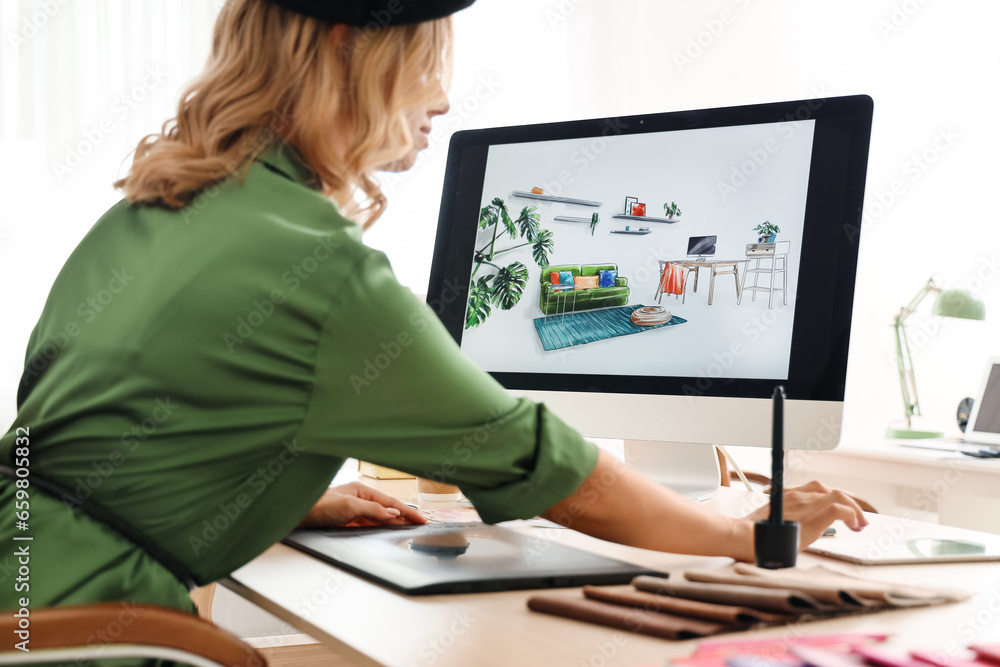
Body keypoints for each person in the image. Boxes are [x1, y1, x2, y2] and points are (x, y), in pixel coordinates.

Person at [0, 0, 867, 632]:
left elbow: (73, 437)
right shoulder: (320, 268)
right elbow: (540, 458)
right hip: (82, 630)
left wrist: (280, 495)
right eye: (427, 57)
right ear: (348, 50)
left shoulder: (146, 212)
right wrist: (737, 531)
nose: (444, 99)